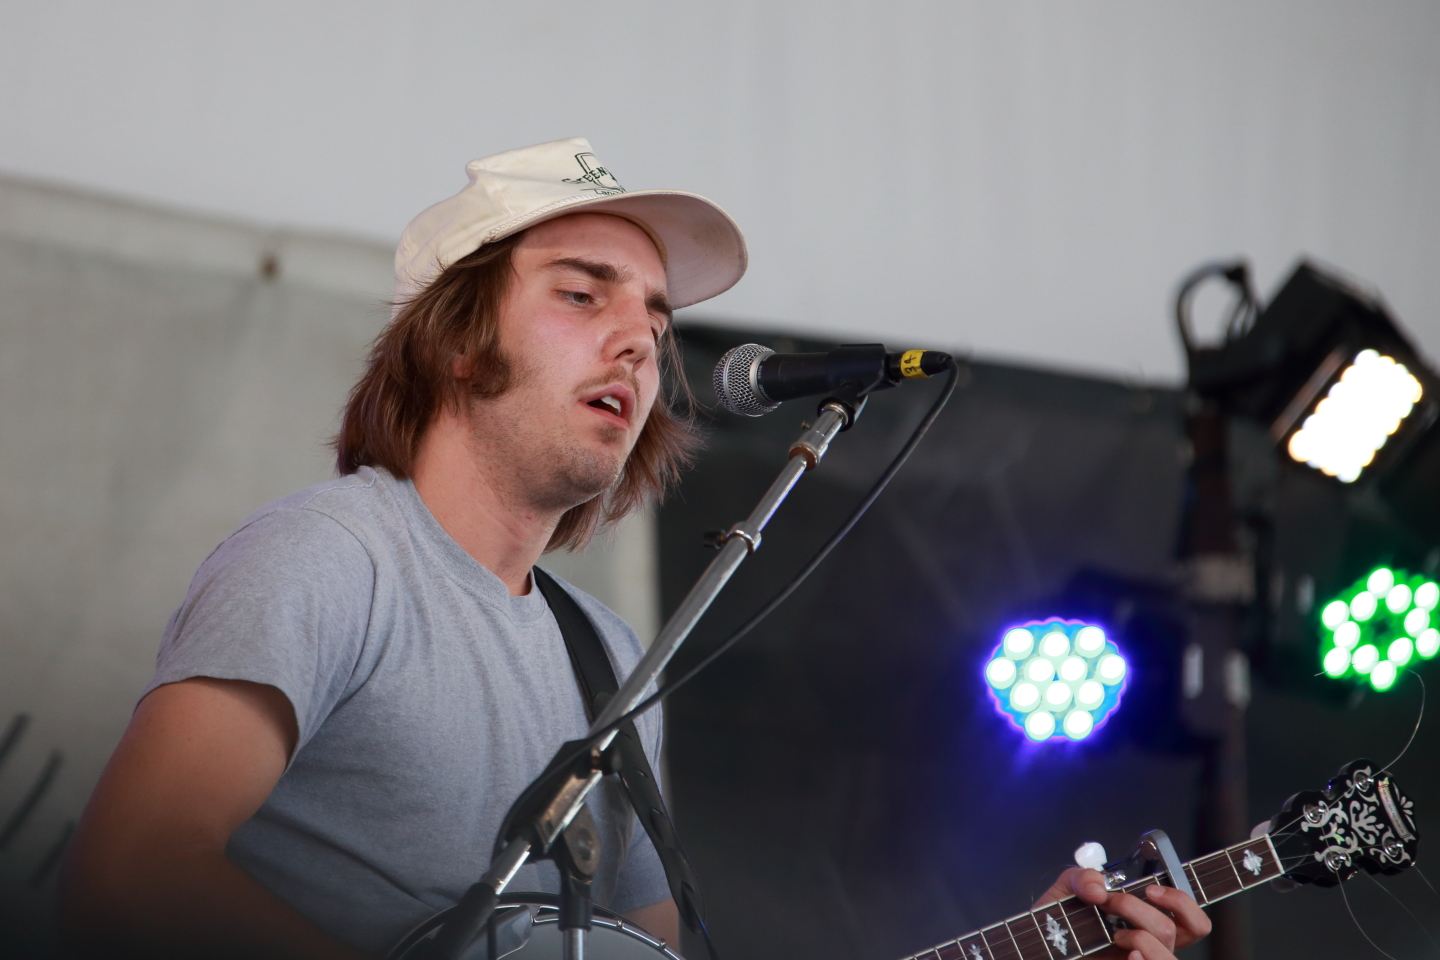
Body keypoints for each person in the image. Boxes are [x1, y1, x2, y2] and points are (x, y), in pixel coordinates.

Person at [60, 137, 1210, 960]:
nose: (638, 344)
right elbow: (128, 873)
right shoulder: (332, 556)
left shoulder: (608, 657)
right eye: (583, 296)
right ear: (457, 342)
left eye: (656, 323)